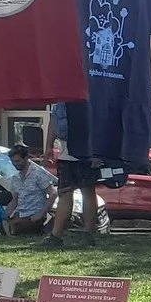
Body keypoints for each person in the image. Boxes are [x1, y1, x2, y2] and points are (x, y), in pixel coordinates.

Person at [44, 101, 100, 247]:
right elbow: (53, 121)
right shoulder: (61, 103)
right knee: (66, 193)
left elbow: (98, 125)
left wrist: (97, 152)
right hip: (68, 155)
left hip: (85, 155)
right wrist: (49, 147)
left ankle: (87, 233)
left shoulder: (89, 100)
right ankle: (57, 235)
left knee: (86, 192)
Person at [4, 144, 57, 236]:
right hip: (19, 214)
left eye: (18, 161)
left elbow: (53, 194)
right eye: (13, 161)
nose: (15, 164)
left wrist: (41, 213)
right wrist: (5, 215)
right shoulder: (15, 178)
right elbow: (15, 200)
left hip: (34, 216)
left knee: (17, 226)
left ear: (26, 158)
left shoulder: (38, 174)